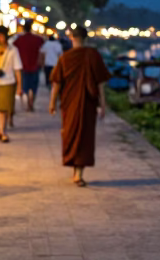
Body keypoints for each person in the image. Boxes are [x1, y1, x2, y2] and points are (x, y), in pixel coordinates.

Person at [49, 25, 109, 185]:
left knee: (70, 133)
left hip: (70, 103)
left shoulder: (65, 58)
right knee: (85, 136)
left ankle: (77, 173)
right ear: (86, 38)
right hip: (87, 103)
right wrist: (103, 104)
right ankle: (78, 172)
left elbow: (56, 83)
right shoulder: (93, 55)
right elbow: (100, 83)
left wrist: (52, 103)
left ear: (71, 38)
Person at [13, 20, 45, 111]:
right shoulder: (38, 39)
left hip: (23, 66)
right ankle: (32, 103)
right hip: (35, 66)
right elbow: (41, 52)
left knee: (25, 87)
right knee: (34, 87)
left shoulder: (19, 40)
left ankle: (28, 103)